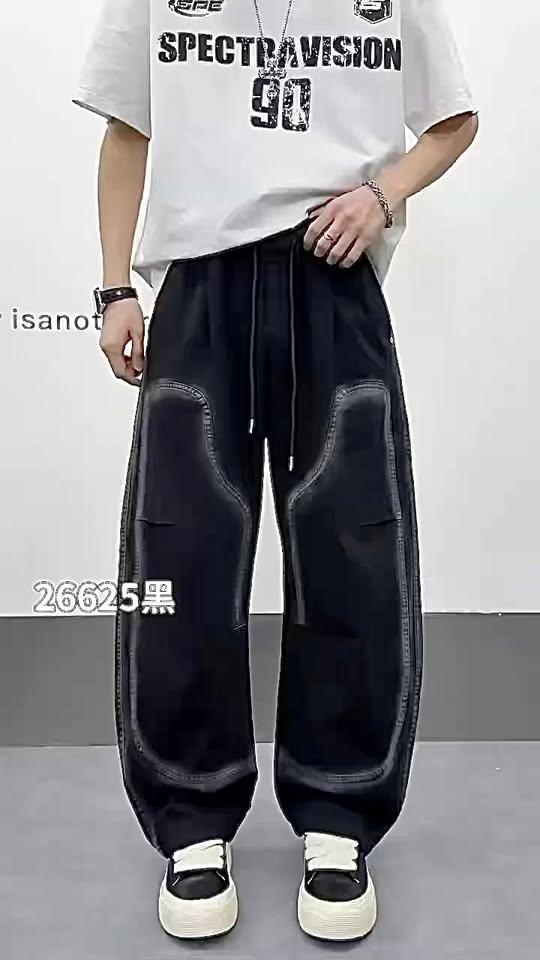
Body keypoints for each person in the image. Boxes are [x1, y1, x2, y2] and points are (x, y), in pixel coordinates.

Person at [73, 0, 477, 943]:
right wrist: (114, 286)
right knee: (180, 555)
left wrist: (382, 194)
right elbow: (128, 127)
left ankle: (339, 815)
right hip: (199, 288)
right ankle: (192, 819)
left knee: (353, 551)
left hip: (332, 283)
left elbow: (455, 119)